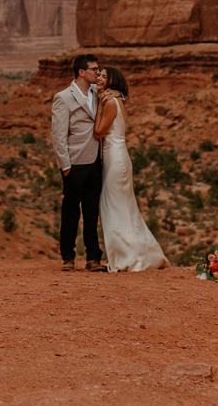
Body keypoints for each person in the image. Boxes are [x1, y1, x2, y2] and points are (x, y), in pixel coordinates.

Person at [94, 66, 168, 272]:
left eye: (103, 76)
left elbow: (99, 132)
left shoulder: (109, 102)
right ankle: (134, 253)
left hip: (115, 157)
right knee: (122, 206)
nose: (99, 77)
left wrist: (100, 106)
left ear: (112, 81)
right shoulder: (117, 99)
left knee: (115, 205)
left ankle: (126, 257)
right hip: (117, 156)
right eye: (98, 74)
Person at [51, 54, 106, 273]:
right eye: (94, 69)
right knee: (71, 211)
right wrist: (65, 165)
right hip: (74, 163)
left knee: (92, 212)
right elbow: (58, 134)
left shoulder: (97, 93)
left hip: (95, 161)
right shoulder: (63, 97)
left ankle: (93, 258)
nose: (98, 72)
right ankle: (68, 257)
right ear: (81, 72)